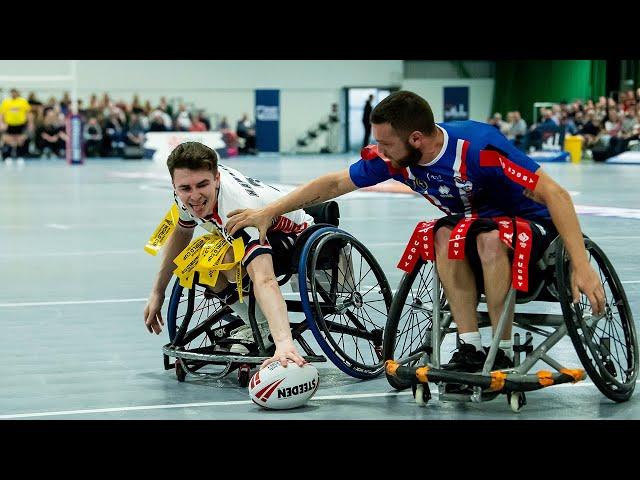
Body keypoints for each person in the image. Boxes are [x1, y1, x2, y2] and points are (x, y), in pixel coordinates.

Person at [226, 90, 605, 380]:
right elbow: (336, 182)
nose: (379, 151)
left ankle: (501, 350)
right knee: (442, 234)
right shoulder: (396, 160)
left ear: (417, 139)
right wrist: (269, 211)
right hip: (470, 232)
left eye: (386, 144)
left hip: (530, 227)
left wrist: (582, 265)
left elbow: (555, 194)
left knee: (488, 236)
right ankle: (471, 347)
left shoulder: (479, 150)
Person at [143, 142, 310, 368]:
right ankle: (255, 324)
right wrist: (157, 292)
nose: (194, 196)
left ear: (217, 179)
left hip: (292, 233)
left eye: (202, 185)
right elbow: (182, 231)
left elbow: (265, 279)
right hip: (241, 228)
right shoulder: (184, 194)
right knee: (195, 264)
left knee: (228, 263)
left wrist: (284, 343)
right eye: (185, 189)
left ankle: (265, 329)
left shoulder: (237, 211)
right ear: (174, 186)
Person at [0, 88, 32, 161]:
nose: (13, 94)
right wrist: (1, 123)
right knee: (7, 139)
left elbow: (28, 113)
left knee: (20, 140)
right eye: (12, 93)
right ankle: (7, 156)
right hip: (9, 124)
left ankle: (19, 155)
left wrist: (30, 124)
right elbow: (1, 114)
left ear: (17, 93)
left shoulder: (23, 102)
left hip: (20, 124)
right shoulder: (6, 102)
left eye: (15, 93)